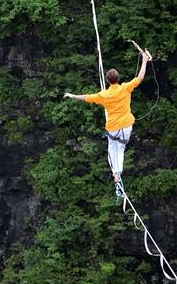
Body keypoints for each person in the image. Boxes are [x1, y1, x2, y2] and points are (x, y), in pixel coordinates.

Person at [63, 44, 152, 201]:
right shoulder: (125, 88)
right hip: (126, 126)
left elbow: (86, 97)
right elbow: (140, 77)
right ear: (118, 79)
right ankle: (118, 176)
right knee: (121, 149)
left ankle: (116, 176)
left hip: (114, 128)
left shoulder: (103, 95)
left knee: (113, 151)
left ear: (108, 80)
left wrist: (71, 95)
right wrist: (144, 60)